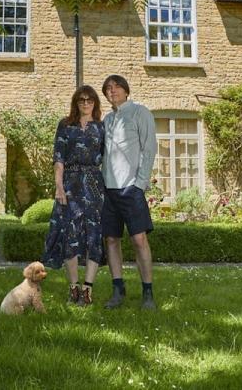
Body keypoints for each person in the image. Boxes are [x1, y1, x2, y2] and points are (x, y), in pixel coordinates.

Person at [41, 86, 106, 306]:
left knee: (94, 234)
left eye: (90, 100)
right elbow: (58, 158)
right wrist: (59, 186)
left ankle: (88, 290)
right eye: (81, 100)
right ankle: (73, 289)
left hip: (95, 185)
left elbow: (110, 158)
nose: (86, 103)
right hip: (70, 183)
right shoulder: (65, 125)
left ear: (95, 103)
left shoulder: (102, 127)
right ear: (76, 103)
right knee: (69, 233)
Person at [100, 74, 158, 310]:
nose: (112, 91)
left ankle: (147, 293)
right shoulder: (107, 119)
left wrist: (140, 183)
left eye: (116, 87)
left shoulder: (140, 112)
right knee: (111, 240)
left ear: (126, 90)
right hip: (109, 189)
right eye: (108, 89)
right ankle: (118, 289)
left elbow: (149, 148)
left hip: (131, 188)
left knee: (139, 239)